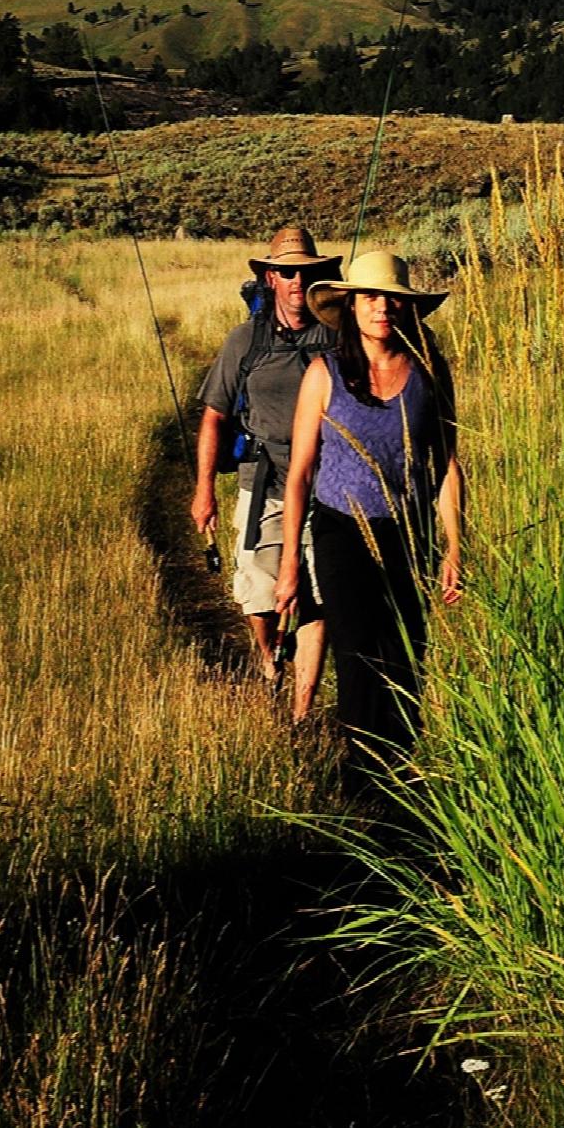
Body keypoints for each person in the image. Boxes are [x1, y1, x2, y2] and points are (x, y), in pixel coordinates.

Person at [274, 249, 462, 765]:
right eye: (371, 297)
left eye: (393, 299)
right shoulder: (325, 374)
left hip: (408, 533)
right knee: (358, 657)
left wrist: (454, 547)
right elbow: (300, 475)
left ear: (408, 308)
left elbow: (447, 464)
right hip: (341, 534)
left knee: (405, 658)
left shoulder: (428, 372)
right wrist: (290, 561)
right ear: (351, 305)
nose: (382, 308)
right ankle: (363, 779)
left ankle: (401, 771)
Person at [191, 225, 341, 715]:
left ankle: (301, 712)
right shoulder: (245, 341)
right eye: (287, 272)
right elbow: (214, 416)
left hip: (327, 485)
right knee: (259, 595)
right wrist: (204, 491)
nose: (297, 281)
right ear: (270, 278)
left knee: (317, 598)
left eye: (306, 272)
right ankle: (269, 654)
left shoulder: (338, 339)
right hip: (263, 482)